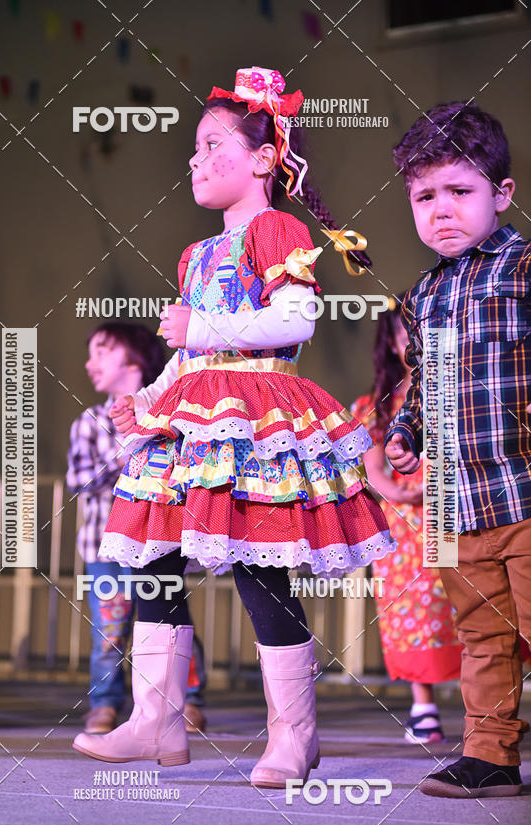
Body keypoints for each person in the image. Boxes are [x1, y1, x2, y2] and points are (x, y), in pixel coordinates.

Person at [73, 66, 396, 787]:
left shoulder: (276, 228)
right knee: (154, 556)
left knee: (259, 563)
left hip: (255, 416)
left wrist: (203, 323)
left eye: (213, 144)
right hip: (192, 421)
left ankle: (294, 733)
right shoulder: (195, 255)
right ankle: (153, 721)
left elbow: (296, 317)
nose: (195, 158)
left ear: (262, 158)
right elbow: (191, 352)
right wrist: (150, 397)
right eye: (193, 147)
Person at [386, 101, 531, 798]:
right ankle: (491, 755)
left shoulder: (524, 267)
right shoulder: (421, 295)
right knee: (482, 637)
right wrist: (405, 434)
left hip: (524, 490)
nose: (441, 209)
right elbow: (422, 390)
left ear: (502, 194)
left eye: (460, 191)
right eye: (424, 196)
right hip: (455, 503)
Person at [66, 322, 207, 735]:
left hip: (154, 540)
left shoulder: (164, 417)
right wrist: (125, 456)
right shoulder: (90, 422)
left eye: (102, 352)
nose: (90, 363)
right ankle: (106, 702)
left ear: (133, 357)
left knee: (168, 621)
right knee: (109, 630)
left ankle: (187, 700)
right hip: (105, 547)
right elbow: (80, 481)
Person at [351, 302, 462, 744]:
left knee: (469, 602)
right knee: (410, 609)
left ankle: (490, 708)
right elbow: (374, 468)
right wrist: (398, 492)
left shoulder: (456, 392)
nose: (413, 343)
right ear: (392, 344)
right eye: (404, 335)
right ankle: (424, 705)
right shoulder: (376, 405)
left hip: (452, 513)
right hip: (402, 523)